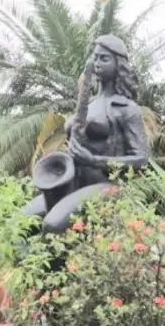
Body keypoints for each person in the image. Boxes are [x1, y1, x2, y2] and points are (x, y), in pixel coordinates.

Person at [23, 34, 150, 234]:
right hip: (72, 183)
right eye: (95, 57)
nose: (97, 63)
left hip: (105, 185)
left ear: (119, 65)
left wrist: (95, 160)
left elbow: (141, 159)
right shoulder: (89, 103)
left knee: (52, 225)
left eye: (104, 59)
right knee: (19, 222)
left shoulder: (126, 108)